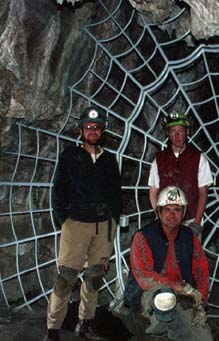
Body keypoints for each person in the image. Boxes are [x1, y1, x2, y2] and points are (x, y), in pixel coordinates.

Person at [44, 106, 122, 341]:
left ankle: (85, 323)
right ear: (81, 130)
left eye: (96, 128)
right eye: (88, 127)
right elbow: (58, 189)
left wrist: (113, 220)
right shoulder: (70, 155)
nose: (92, 131)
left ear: (102, 131)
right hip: (75, 224)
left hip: (103, 227)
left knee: (95, 277)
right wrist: (64, 221)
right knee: (66, 277)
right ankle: (53, 329)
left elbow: (116, 194)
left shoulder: (109, 160)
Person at [124, 186, 213, 341]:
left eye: (177, 210)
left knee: (204, 339)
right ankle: (159, 335)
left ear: (184, 212)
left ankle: (175, 331)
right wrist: (176, 286)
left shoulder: (188, 236)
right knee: (164, 297)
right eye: (167, 210)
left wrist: (200, 299)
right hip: (150, 295)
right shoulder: (143, 236)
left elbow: (201, 269)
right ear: (159, 211)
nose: (172, 215)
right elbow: (144, 276)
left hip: (182, 295)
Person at [148, 112, 213, 235]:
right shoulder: (159, 159)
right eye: (173, 131)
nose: (177, 136)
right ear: (167, 134)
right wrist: (160, 217)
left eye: (181, 131)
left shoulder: (198, 158)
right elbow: (153, 191)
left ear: (187, 132)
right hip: (166, 223)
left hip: (191, 221)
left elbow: (203, 192)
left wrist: (197, 223)